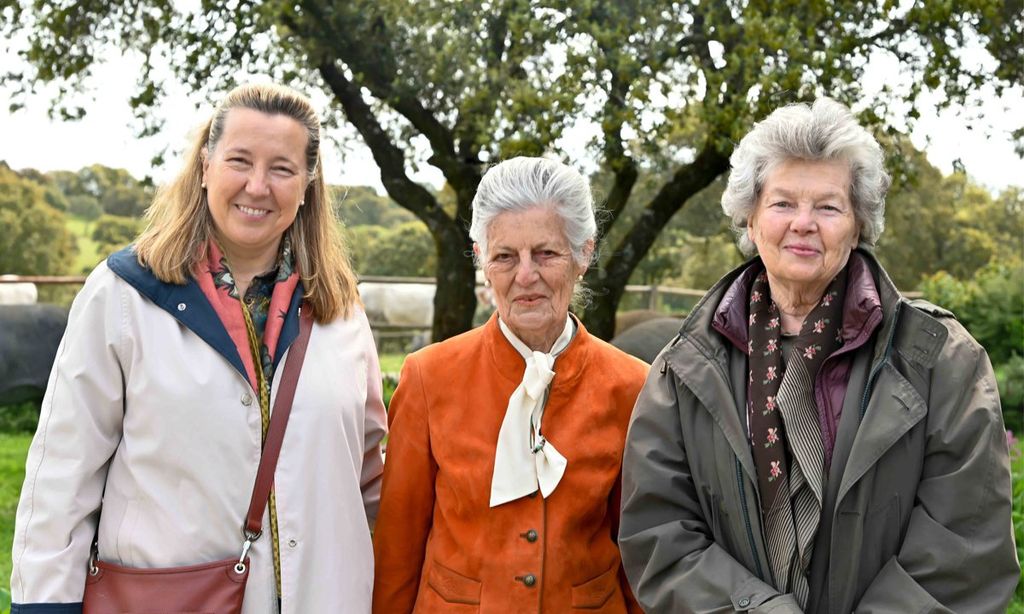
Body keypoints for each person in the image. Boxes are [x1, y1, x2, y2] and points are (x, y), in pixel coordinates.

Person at [618, 97, 1018, 613]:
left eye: (828, 207)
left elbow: (967, 542)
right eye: (783, 203)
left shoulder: (940, 359)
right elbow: (661, 536)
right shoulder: (685, 367)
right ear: (751, 218)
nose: (804, 223)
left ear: (858, 225)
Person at [11, 83, 387, 613]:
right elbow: (62, 474)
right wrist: (45, 604)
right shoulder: (125, 295)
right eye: (240, 160)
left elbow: (371, 474)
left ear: (307, 184)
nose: (258, 186)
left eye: (282, 168)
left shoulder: (340, 311)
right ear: (206, 166)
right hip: (167, 599)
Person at [372, 157, 648, 613]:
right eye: (505, 256)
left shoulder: (633, 386)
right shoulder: (428, 377)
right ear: (481, 259)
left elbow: (638, 553)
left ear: (583, 254)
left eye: (546, 253)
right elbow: (397, 549)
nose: (525, 276)